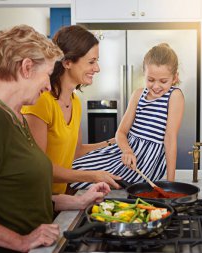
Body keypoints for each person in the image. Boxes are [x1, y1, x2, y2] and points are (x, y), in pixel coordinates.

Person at [0, 25, 110, 253]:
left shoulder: (16, 119)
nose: (47, 85)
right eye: (47, 74)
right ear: (26, 68)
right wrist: (20, 241)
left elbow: (22, 195)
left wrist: (77, 201)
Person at [21, 25, 121, 195]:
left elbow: (76, 152)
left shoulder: (75, 102)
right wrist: (92, 176)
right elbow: (38, 168)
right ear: (67, 62)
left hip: (56, 199)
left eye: (97, 61)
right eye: (91, 62)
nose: (97, 68)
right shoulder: (40, 101)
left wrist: (115, 142)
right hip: (32, 201)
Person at [70, 43, 185, 190]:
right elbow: (121, 133)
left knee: (111, 185)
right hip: (125, 155)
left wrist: (171, 184)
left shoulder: (174, 96)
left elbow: (170, 139)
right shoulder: (138, 94)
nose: (156, 86)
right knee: (77, 171)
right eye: (150, 80)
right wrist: (127, 151)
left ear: (174, 77)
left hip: (145, 163)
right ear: (144, 74)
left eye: (163, 81)